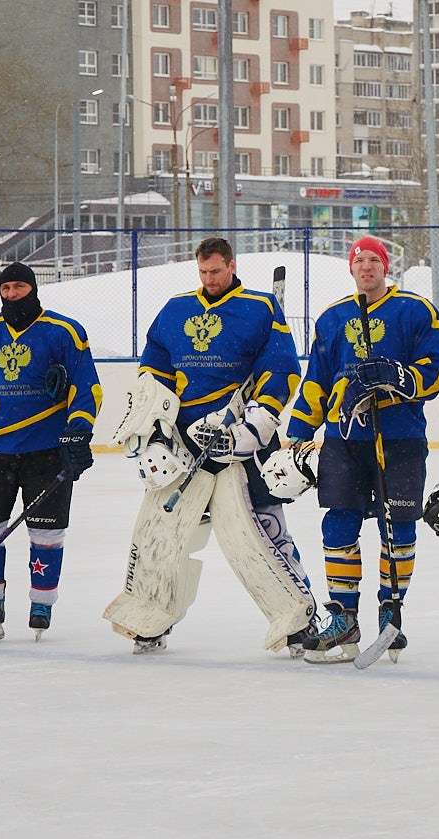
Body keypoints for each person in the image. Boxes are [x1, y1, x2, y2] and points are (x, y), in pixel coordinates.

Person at [103, 237, 317, 655]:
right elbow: (154, 370)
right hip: (184, 447)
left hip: (243, 445)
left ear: (232, 266)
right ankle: (150, 618)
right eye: (203, 272)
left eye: (216, 271)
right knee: (163, 536)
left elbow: (282, 369)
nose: (209, 279)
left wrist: (256, 423)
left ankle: (297, 619)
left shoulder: (260, 307)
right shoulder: (175, 309)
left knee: (266, 533)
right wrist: (157, 428)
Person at [287, 234, 439, 662]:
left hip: (400, 438)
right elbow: (317, 380)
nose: (366, 268)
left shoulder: (415, 310)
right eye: (359, 261)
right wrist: (299, 432)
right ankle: (344, 617)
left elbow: (435, 372)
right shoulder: (332, 317)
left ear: (385, 267)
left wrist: (398, 377)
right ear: (351, 268)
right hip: (344, 440)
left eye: (373, 261)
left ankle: (390, 614)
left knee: (399, 527)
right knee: (338, 526)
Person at [0, 262, 102, 643]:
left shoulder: (63, 331)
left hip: (46, 452)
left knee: (46, 533)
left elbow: (86, 389)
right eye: (6, 288)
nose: (12, 294)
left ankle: (41, 602)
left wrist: (77, 434)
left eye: (19, 287)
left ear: (33, 289)